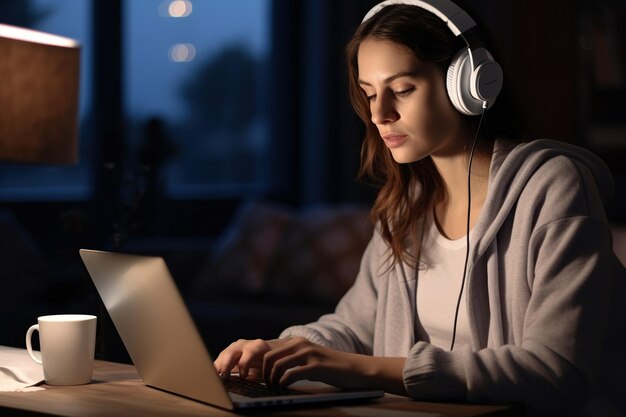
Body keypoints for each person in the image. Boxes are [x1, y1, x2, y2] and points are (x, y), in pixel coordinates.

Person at [214, 1, 626, 415]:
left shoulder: (553, 187)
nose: (379, 114)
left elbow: (555, 372)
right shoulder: (404, 209)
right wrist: (285, 350)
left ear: (469, 83)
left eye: (403, 89)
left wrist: (364, 369)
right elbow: (354, 327)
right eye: (369, 94)